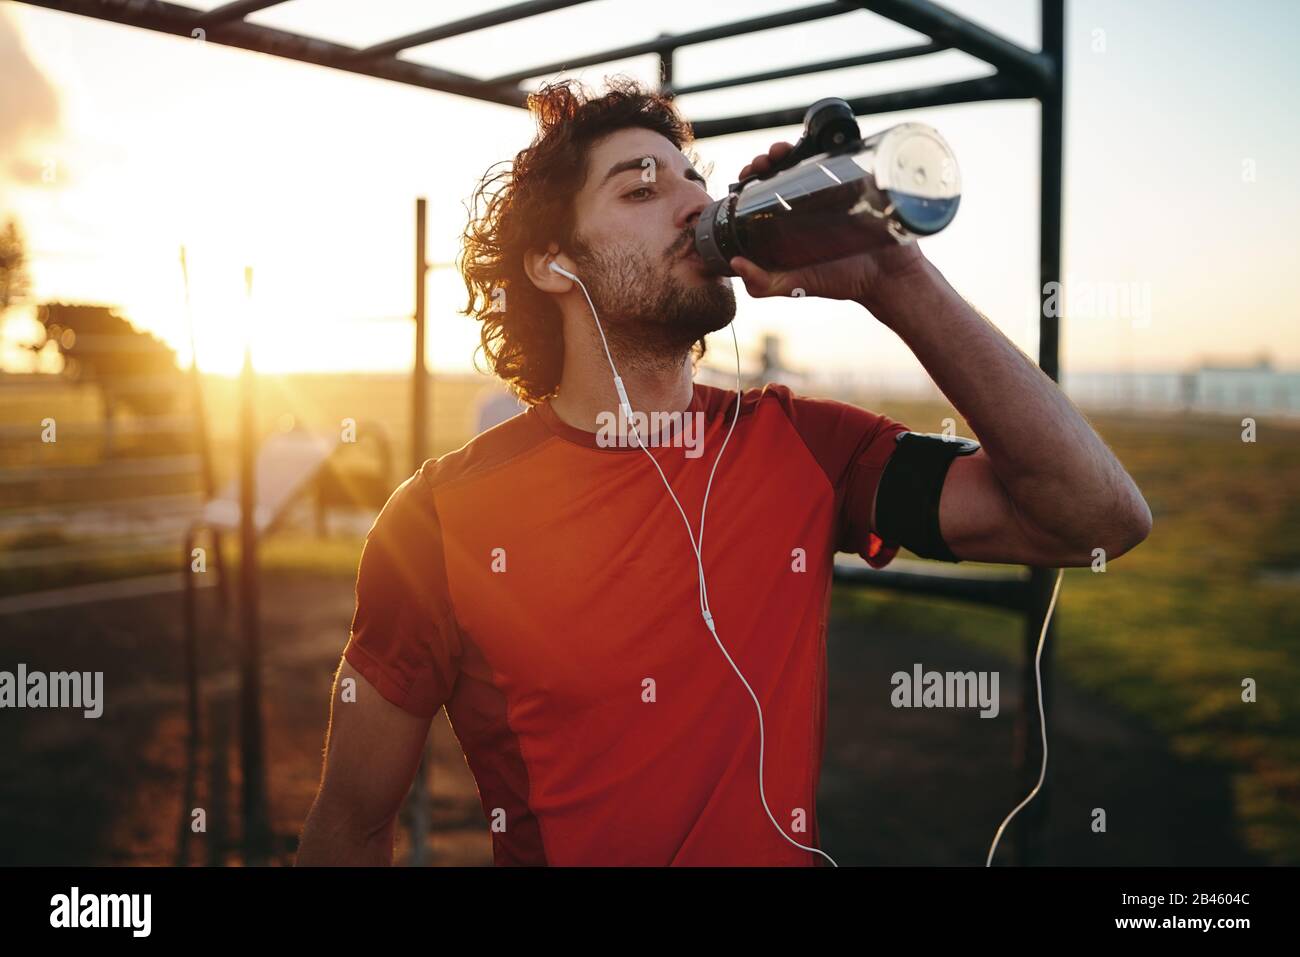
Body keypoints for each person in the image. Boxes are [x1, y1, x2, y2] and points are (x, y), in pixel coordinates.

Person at [296, 77, 1151, 866]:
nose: (696, 204)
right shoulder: (438, 519)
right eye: (641, 188)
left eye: (693, 181)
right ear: (553, 264)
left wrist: (896, 274)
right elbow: (351, 824)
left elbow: (1096, 518)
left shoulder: (803, 447)